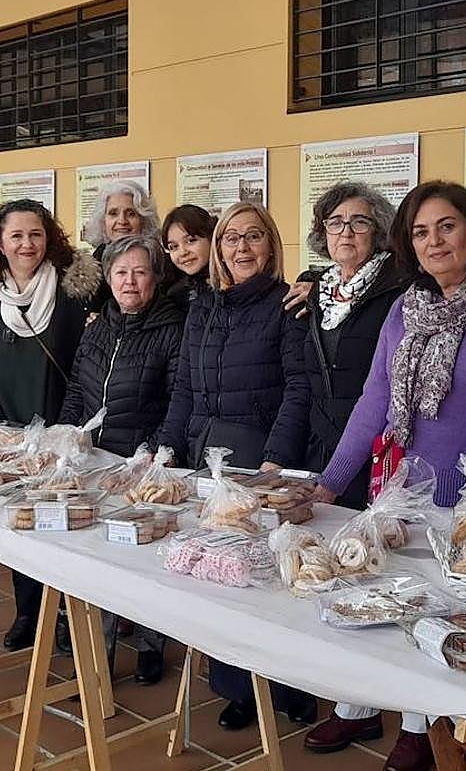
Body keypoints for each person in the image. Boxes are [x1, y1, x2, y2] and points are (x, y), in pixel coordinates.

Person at [307, 181, 466, 771]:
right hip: (401, 490)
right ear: (408, 246)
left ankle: (420, 724)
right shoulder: (404, 308)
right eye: (420, 232)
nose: (434, 241)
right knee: (378, 597)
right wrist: (331, 482)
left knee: (438, 613)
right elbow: (375, 401)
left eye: (446, 226)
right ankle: (362, 704)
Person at [157, 201, 316, 731]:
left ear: (269, 245)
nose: (241, 248)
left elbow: (299, 386)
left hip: (257, 459)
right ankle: (236, 687)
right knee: (216, 576)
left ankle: (293, 685)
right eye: (231, 238)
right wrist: (165, 449)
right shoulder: (202, 304)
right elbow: (183, 385)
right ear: (219, 248)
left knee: (268, 580)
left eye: (253, 237)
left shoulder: (286, 304)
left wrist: (276, 460)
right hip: (206, 458)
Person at [0, 198, 101, 653]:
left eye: (36, 234)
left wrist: (74, 424)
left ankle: (71, 617)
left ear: (49, 237)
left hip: (62, 428)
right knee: (20, 522)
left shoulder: (77, 291)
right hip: (5, 430)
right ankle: (29, 612)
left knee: (69, 522)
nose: (27, 244)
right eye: (16, 235)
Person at [58, 234, 183, 685]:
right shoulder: (97, 329)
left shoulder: (172, 330)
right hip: (95, 464)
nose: (130, 282)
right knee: (97, 558)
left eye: (140, 272)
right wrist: (66, 434)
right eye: (121, 272)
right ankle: (98, 655)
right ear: (108, 279)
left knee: (144, 560)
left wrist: (150, 451)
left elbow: (175, 401)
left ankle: (152, 644)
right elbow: (77, 389)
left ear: (155, 278)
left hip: (142, 466)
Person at [299, 182, 407, 510]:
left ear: (377, 232)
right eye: (335, 222)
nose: (345, 232)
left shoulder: (397, 291)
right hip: (318, 445)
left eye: (359, 222)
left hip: (374, 447)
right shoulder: (316, 293)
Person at [82, 181, 162, 310]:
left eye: (131, 213)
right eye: (113, 213)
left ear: (143, 220)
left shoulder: (166, 266)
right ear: (103, 222)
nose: (122, 221)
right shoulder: (87, 275)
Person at [161, 203, 214, 305]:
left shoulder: (232, 284)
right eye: (174, 247)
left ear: (211, 238)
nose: (183, 252)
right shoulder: (177, 295)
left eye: (190, 240)